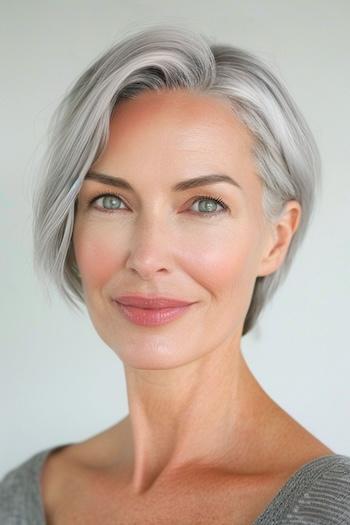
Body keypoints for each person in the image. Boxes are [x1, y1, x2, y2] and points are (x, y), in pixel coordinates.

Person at [1, 24, 350, 525]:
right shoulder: (24, 498)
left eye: (204, 204)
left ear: (275, 238)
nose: (147, 256)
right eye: (110, 201)